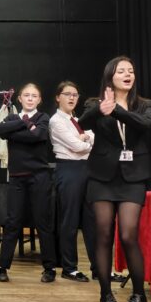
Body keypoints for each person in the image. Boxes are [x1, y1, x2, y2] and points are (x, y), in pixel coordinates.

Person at [77, 57, 151, 302]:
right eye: (121, 71)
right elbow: (82, 123)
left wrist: (117, 111)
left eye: (130, 71)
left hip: (133, 177)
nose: (127, 74)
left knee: (128, 234)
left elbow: (145, 124)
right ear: (110, 76)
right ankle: (106, 296)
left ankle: (138, 295)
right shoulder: (95, 103)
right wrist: (101, 109)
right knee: (103, 234)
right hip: (102, 177)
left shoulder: (144, 104)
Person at [0, 83, 56, 283]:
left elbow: (38, 135)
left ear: (39, 99)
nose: (30, 98)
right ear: (19, 99)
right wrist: (27, 124)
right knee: (13, 221)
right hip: (17, 177)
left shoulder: (43, 118)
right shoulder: (13, 117)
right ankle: (3, 267)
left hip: (40, 176)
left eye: (34, 96)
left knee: (42, 222)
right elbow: (0, 130)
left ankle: (49, 268)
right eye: (26, 95)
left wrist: (15, 132)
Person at [49, 81, 96, 282]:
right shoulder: (56, 121)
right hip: (68, 169)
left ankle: (99, 267)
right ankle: (69, 267)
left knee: (92, 221)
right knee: (70, 220)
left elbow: (92, 138)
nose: (72, 98)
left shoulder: (76, 120)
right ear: (58, 97)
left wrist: (87, 138)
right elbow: (77, 146)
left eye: (75, 95)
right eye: (67, 94)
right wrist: (86, 139)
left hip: (86, 169)